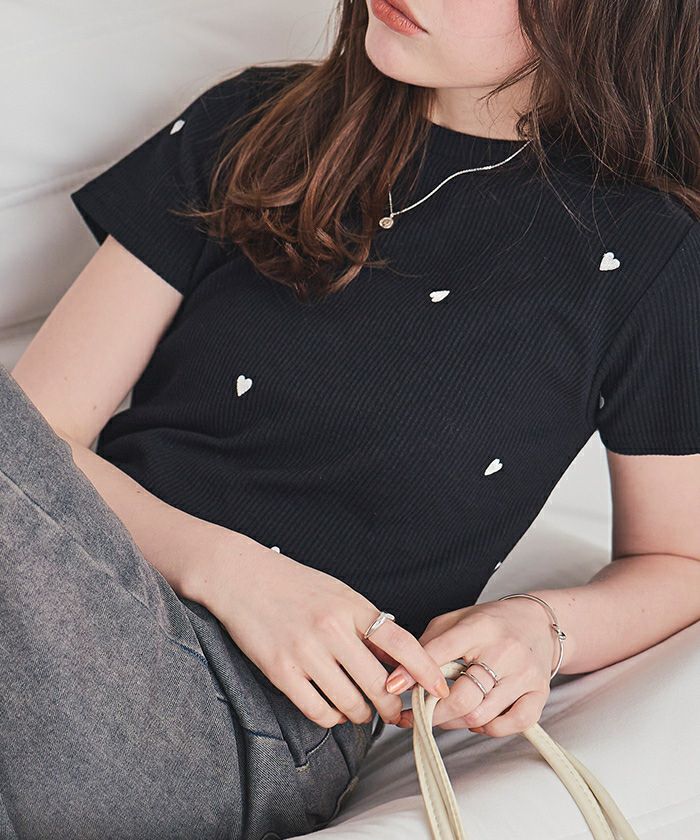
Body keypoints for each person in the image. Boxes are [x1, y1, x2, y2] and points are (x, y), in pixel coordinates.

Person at [3, 1, 700, 838]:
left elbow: (679, 558)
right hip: (60, 591)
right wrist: (234, 573)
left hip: (243, 717)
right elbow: (36, 442)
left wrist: (541, 628)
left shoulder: (653, 251)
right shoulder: (253, 122)